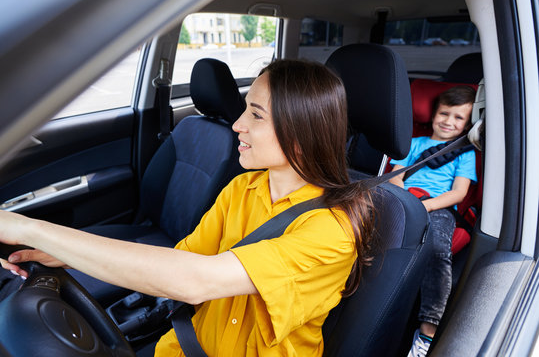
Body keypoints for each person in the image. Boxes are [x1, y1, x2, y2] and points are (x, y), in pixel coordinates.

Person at [0, 60, 375, 356]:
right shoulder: (243, 187)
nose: (238, 125)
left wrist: (30, 228)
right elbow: (181, 260)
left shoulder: (332, 232)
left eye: (256, 115)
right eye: (245, 109)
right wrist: (69, 253)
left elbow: (195, 281)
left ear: (301, 133)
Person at [389, 85, 477, 357]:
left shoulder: (465, 153)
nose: (449, 122)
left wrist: (423, 207)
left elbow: (458, 193)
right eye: (444, 113)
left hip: (438, 207)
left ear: (468, 124)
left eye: (458, 118)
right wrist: (405, 202)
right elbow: (395, 178)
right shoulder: (414, 143)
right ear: (434, 114)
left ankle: (427, 331)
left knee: (438, 250)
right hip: (405, 199)